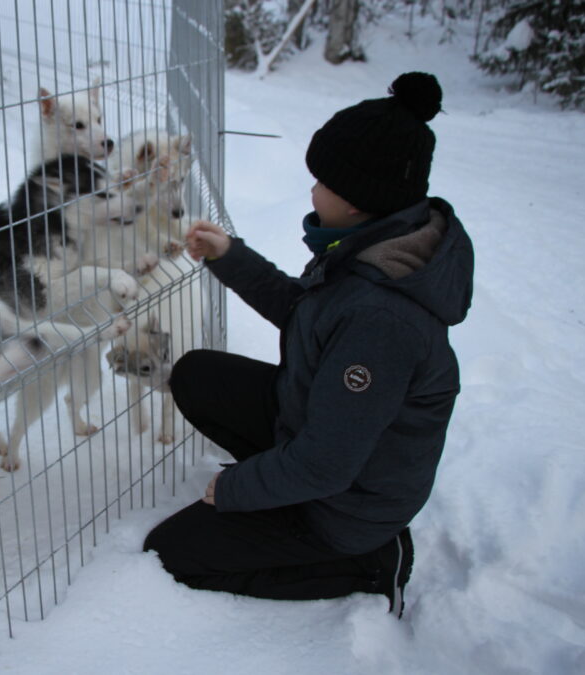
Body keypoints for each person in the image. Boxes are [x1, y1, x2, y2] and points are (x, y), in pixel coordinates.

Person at [143, 72, 473, 617]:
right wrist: (231, 257)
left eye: (321, 181)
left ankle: (367, 566)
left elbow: (326, 465)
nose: (312, 190)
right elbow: (307, 315)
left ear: (358, 198)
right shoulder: (373, 249)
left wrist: (235, 491)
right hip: (326, 427)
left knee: (171, 553)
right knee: (197, 373)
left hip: (347, 508)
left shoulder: (381, 319)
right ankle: (280, 484)